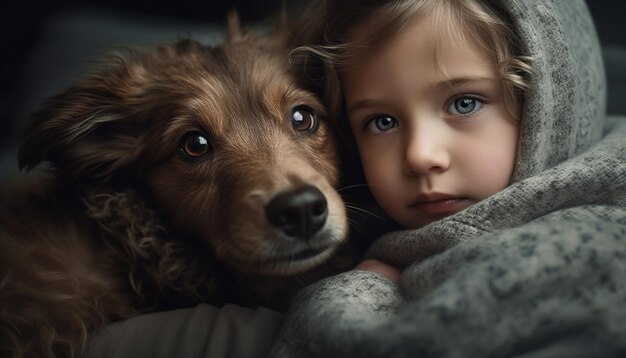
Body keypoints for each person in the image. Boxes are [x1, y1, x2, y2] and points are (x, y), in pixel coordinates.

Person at [269, 0, 626, 356]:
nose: (419, 156)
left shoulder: (580, 247)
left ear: (555, 102)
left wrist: (360, 289)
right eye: (382, 122)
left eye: (464, 103)